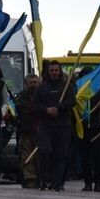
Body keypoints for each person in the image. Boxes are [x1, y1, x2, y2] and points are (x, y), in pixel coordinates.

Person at [30, 60, 75, 191]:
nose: (54, 73)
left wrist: (60, 107)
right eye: (52, 70)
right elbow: (34, 105)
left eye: (56, 70)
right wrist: (46, 110)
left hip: (63, 125)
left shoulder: (67, 86)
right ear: (48, 72)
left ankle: (58, 182)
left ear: (60, 71)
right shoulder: (42, 87)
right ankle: (44, 179)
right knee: (45, 151)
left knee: (60, 155)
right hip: (45, 125)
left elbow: (72, 101)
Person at [12, 71, 41, 188]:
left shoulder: (43, 96)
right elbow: (18, 108)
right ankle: (30, 178)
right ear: (26, 84)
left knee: (40, 155)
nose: (33, 85)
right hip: (26, 129)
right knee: (26, 154)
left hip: (40, 130)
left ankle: (41, 177)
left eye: (35, 82)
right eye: (30, 83)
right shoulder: (21, 96)